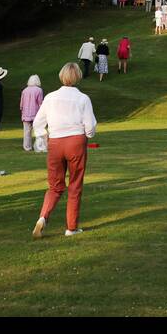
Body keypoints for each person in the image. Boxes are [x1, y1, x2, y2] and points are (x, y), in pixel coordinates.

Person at [31, 62, 98, 238]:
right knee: (75, 184)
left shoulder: (50, 97)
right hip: (76, 141)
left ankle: (43, 217)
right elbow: (90, 127)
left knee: (55, 186)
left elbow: (38, 122)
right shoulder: (83, 98)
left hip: (55, 142)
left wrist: (44, 136)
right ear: (77, 77)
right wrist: (88, 134)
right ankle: (71, 227)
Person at [20, 75, 45, 152]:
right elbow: (40, 103)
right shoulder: (39, 90)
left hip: (26, 114)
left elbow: (21, 104)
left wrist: (22, 111)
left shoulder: (24, 90)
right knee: (38, 130)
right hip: (36, 114)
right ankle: (39, 147)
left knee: (27, 132)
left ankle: (27, 147)